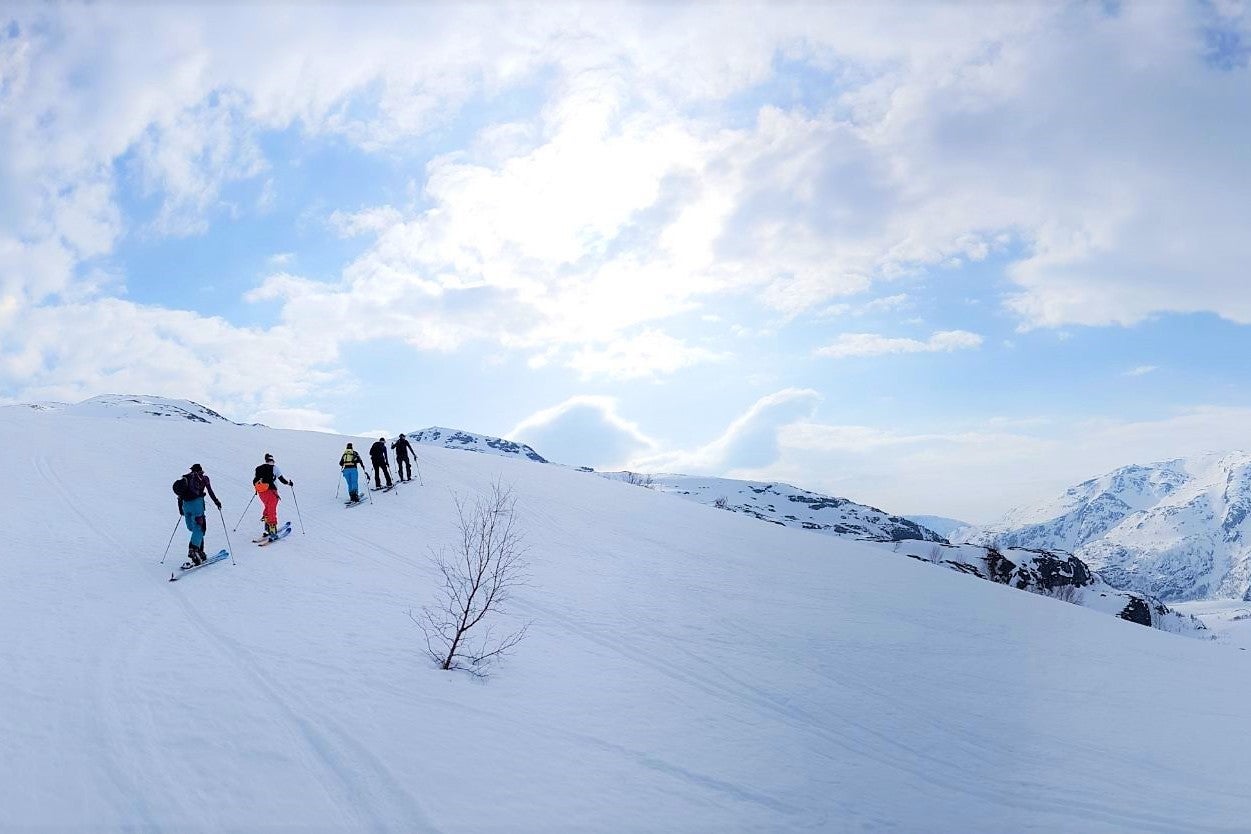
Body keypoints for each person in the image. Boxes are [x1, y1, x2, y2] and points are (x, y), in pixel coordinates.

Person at [176, 463, 221, 566]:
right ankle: (193, 549)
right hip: (197, 505)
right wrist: (216, 502)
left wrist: (181, 509)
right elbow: (210, 491)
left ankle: (200, 552)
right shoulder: (204, 478)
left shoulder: (186, 479)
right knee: (200, 528)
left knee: (194, 529)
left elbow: (180, 496)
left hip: (185, 505)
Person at [253, 453, 293, 538]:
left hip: (261, 492)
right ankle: (272, 531)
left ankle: (267, 528)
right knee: (272, 509)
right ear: (272, 461)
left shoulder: (259, 468)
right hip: (271, 491)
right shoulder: (275, 468)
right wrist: (289, 483)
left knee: (268, 507)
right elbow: (282, 480)